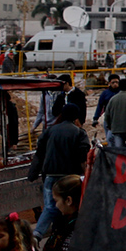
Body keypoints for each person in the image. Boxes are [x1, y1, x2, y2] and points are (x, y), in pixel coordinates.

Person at [28, 102, 91, 241]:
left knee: (51, 206)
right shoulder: (79, 133)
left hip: (49, 175)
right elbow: (83, 157)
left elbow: (39, 154)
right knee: (64, 208)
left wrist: (32, 174)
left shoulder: (49, 130)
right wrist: (86, 176)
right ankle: (39, 235)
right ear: (76, 116)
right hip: (68, 179)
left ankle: (48, 236)